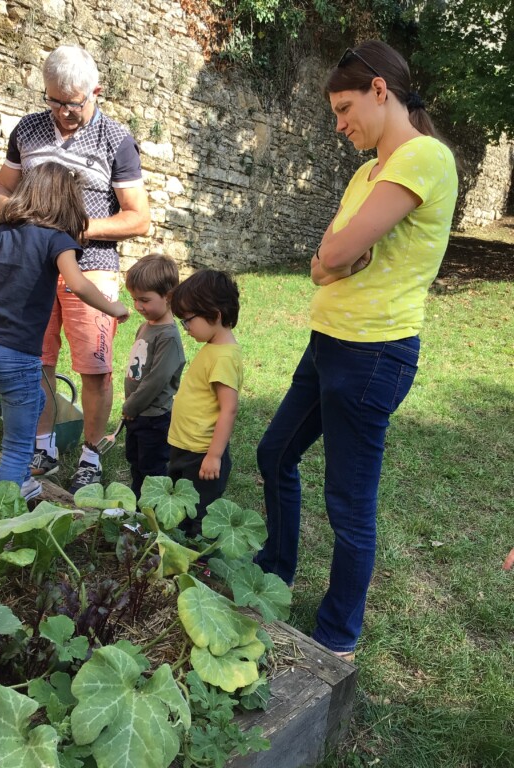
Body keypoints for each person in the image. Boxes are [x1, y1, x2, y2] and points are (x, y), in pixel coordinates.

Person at [254, 40, 458, 660]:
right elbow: (322, 261)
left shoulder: (423, 158)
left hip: (372, 356)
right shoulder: (369, 171)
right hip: (328, 346)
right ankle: (275, 570)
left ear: (380, 91)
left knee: (348, 502)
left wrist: (335, 259)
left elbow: (336, 254)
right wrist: (333, 260)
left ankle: (336, 638)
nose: (340, 125)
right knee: (274, 454)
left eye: (344, 108)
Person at [0, 45, 150, 494]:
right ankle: (43, 446)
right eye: (54, 101)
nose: (63, 112)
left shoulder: (115, 140)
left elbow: (138, 217)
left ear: (95, 92)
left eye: (72, 103)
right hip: (32, 270)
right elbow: (1, 190)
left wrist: (75, 229)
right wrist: (18, 216)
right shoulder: (27, 130)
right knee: (35, 361)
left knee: (94, 368)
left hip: (91, 267)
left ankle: (92, 453)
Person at [0, 163, 129, 501]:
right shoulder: (56, 240)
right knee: (18, 448)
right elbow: (77, 283)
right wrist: (112, 307)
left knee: (35, 398)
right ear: (66, 202)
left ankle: (12, 481)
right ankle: (8, 499)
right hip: (17, 358)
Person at [168, 270, 243, 538]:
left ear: (215, 314)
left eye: (188, 320)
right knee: (181, 505)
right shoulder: (212, 347)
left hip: (201, 454)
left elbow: (228, 408)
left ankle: (200, 560)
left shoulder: (223, 357)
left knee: (199, 512)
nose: (185, 328)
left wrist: (214, 456)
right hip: (185, 445)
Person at [123, 254, 186, 498]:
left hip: (153, 417)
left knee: (153, 468)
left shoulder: (168, 336)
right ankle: (138, 504)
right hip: (137, 413)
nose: (138, 306)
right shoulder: (147, 325)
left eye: (145, 300)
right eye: (134, 299)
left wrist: (132, 405)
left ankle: (154, 510)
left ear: (168, 296)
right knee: (135, 461)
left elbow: (156, 380)